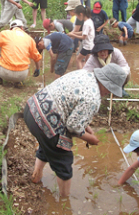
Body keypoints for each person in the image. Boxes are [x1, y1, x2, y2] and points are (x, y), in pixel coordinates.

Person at [24, 63, 127, 196]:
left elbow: (73, 109)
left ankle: (36, 176)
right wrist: (89, 138)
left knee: (48, 145)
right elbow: (72, 126)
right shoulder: (93, 99)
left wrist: (86, 127)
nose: (108, 93)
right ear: (106, 84)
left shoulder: (84, 74)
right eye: (110, 90)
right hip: (46, 122)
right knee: (63, 161)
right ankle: (64, 201)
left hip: (32, 109)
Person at [0, 19, 42, 86]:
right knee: (26, 56)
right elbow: (37, 58)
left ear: (11, 28)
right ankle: (19, 81)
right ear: (22, 28)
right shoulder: (29, 39)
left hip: (5, 73)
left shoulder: (5, 33)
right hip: (22, 74)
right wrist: (38, 69)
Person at [68, 5, 95, 69]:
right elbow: (84, 32)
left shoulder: (86, 23)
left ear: (81, 14)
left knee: (78, 59)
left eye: (77, 15)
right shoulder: (89, 21)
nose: (77, 17)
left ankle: (80, 74)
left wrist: (73, 35)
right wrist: (73, 32)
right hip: (91, 45)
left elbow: (83, 37)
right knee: (87, 62)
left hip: (87, 46)